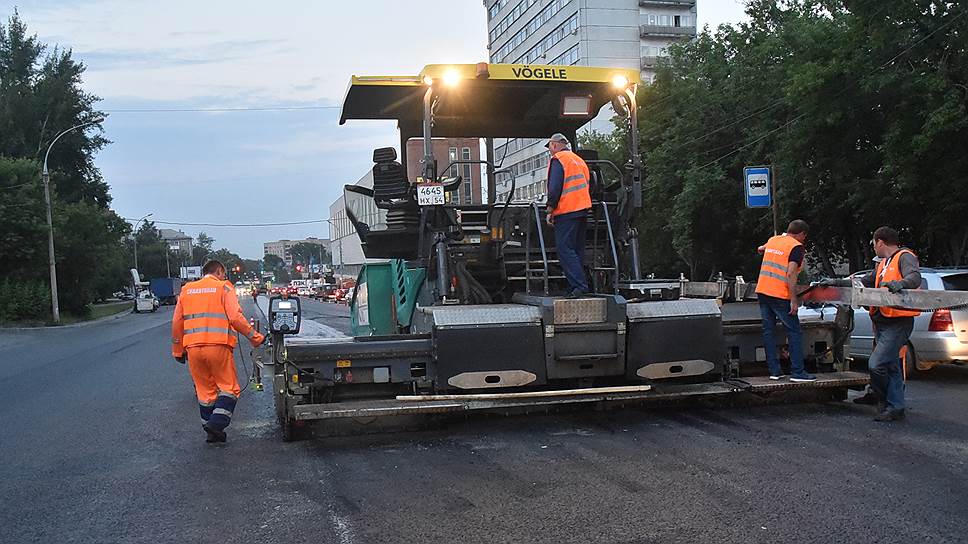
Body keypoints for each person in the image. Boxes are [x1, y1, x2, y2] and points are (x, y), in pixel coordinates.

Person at [171, 260, 265, 443]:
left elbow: (177, 322)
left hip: (193, 349)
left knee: (205, 393)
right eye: (224, 273)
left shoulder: (187, 290)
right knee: (229, 388)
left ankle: (212, 434)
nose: (225, 276)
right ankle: (216, 424)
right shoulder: (224, 288)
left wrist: (177, 350)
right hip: (218, 346)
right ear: (219, 271)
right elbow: (235, 318)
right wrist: (256, 338)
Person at [849, 226, 921, 421]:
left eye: (874, 244)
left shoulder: (904, 257)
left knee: (876, 364)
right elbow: (864, 281)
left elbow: (914, 277)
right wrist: (836, 283)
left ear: (880, 242)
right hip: (883, 322)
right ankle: (896, 407)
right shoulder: (883, 264)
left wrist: (901, 284)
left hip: (898, 322)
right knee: (891, 367)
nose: (873, 248)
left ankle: (883, 398)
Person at [755, 220, 816, 382]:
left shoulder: (774, 240)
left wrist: (762, 250)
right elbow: (790, 274)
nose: (804, 239)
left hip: (763, 291)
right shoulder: (796, 247)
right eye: (804, 236)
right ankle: (798, 372)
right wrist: (793, 299)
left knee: (769, 331)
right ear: (801, 234)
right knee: (794, 331)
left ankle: (775, 371)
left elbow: (761, 248)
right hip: (780, 295)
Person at [544, 133, 592, 298]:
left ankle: (579, 285)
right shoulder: (578, 160)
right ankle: (575, 286)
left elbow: (555, 187)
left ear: (555, 145)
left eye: (550, 146)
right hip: (582, 209)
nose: (550, 150)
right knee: (576, 249)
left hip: (567, 210)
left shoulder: (558, 160)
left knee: (565, 249)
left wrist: (550, 209)